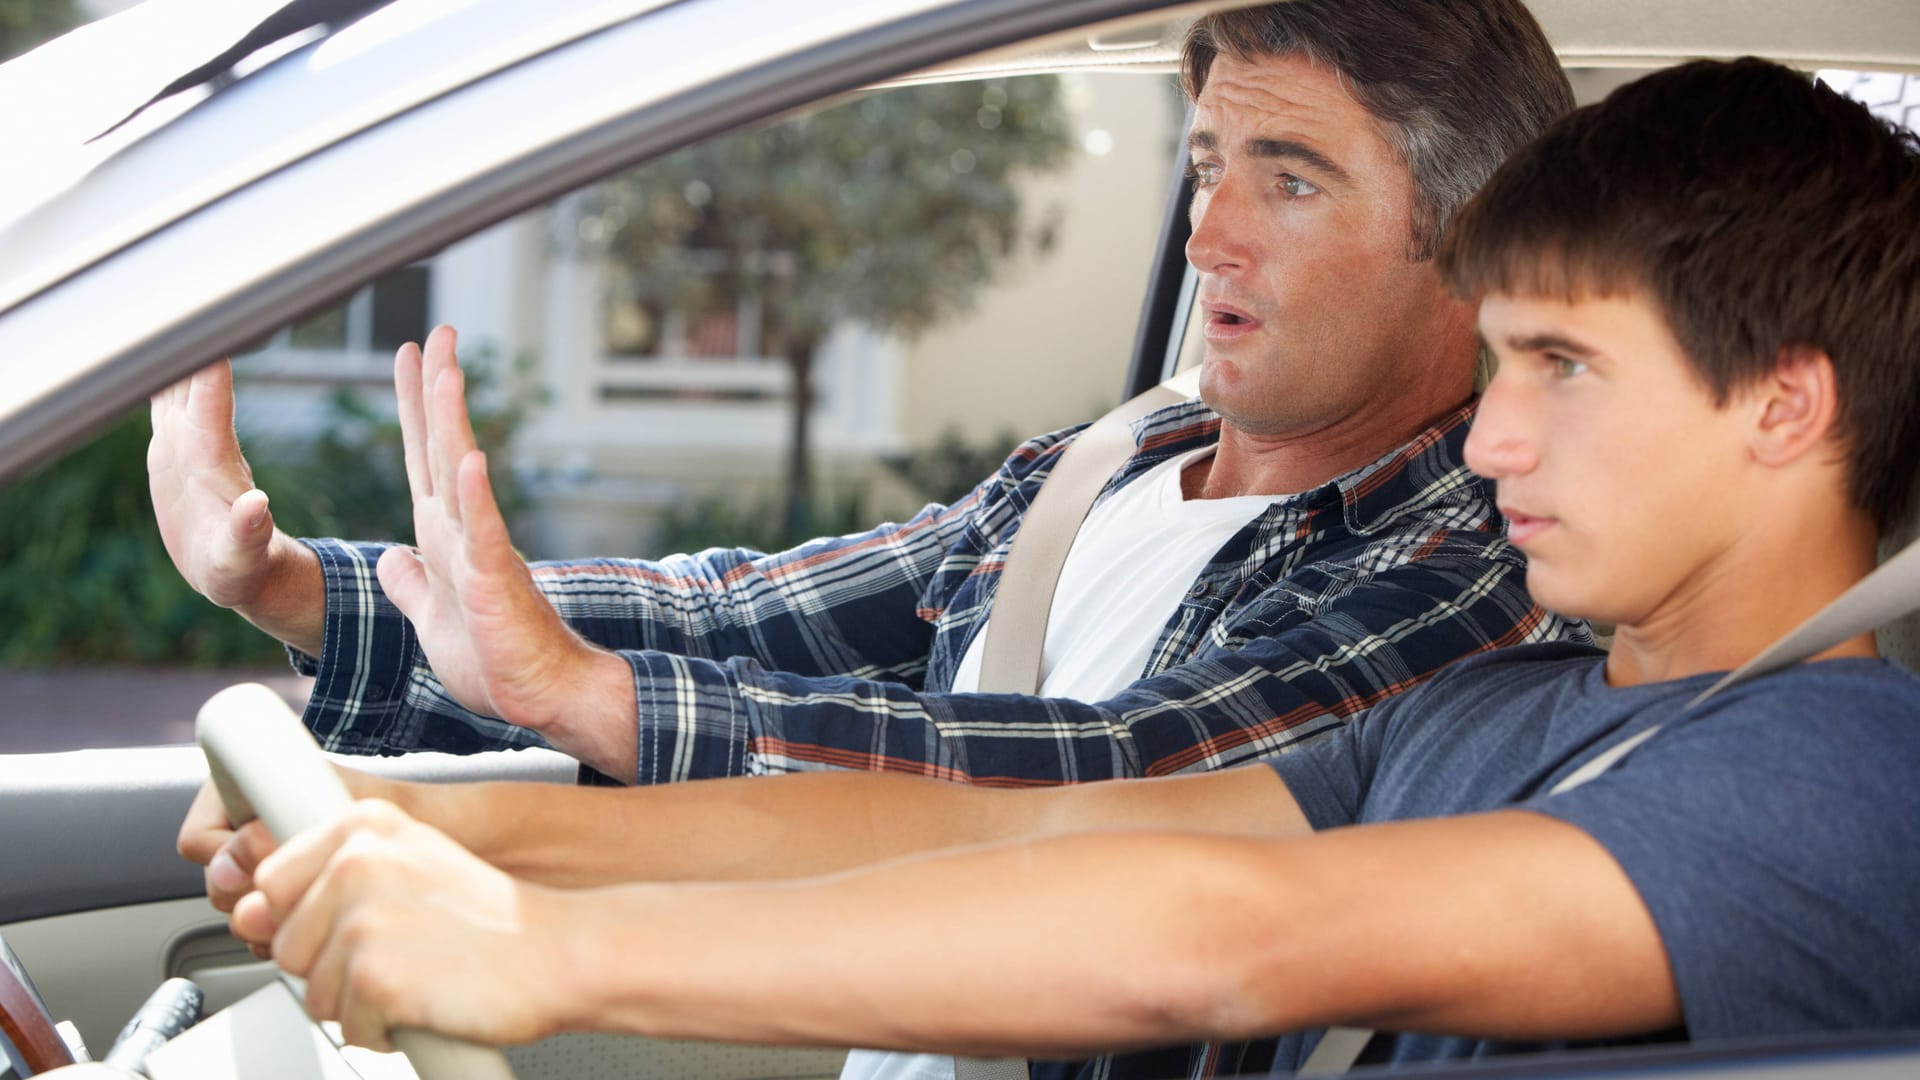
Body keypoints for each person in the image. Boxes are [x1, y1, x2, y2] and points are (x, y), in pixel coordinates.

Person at [186, 56, 1920, 1074]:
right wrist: (442, 822)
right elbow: (1023, 821)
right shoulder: (1501, 706)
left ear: (1785, 407)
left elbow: (1234, 937)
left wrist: (549, 955)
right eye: (1504, 361)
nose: (1489, 442)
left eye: (1561, 369)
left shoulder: (1843, 783)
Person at [148, 0, 1579, 800]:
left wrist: (597, 703)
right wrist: (294, 592)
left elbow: (1117, 779)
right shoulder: (1112, 461)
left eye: (1291, 177)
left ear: (1471, 236)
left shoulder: (1474, 564)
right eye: (1207, 165)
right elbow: (747, 615)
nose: (1209, 238)